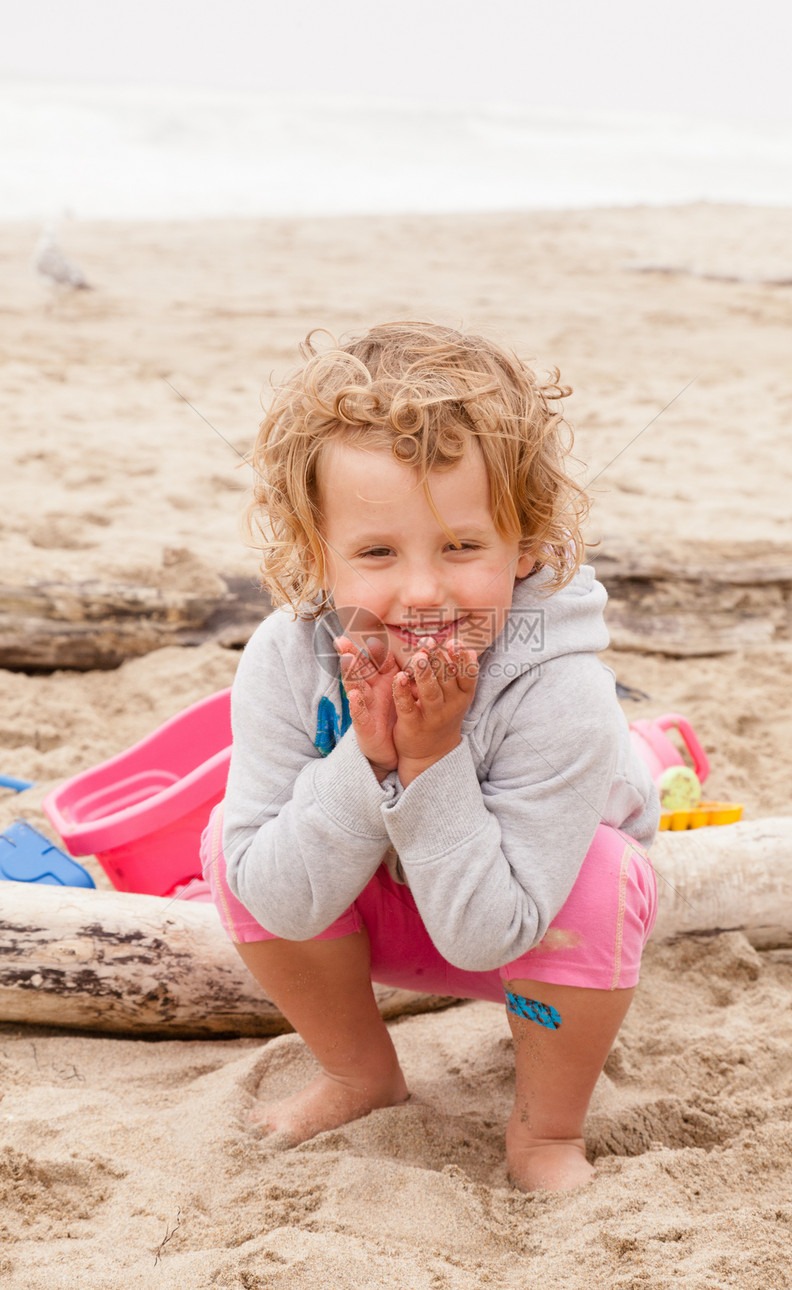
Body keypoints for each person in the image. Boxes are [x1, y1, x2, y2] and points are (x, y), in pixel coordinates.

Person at [201, 321, 659, 1191]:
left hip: (530, 920)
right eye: (376, 553)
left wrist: (433, 756)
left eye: (461, 546)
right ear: (316, 557)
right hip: (368, 904)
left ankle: (547, 1132)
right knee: (235, 844)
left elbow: (492, 931)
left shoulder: (562, 690)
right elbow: (275, 898)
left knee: (607, 877)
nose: (423, 591)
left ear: (525, 543)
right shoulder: (286, 657)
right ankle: (359, 1074)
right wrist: (366, 761)